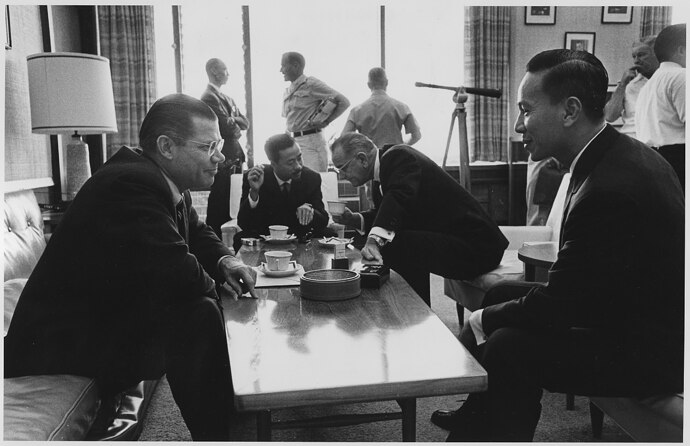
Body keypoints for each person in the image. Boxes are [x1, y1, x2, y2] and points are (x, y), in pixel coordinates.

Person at [430, 49, 684, 442]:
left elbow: (563, 305)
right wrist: (495, 311)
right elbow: (585, 287)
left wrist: (483, 320)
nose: (518, 125)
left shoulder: (609, 187)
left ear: (570, 111)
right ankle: (475, 421)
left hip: (652, 352)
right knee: (500, 290)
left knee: (509, 346)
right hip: (625, 313)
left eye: (526, 110)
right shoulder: (615, 156)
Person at [4, 94, 259, 441]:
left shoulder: (161, 179)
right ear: (167, 146)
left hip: (99, 322)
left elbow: (196, 231)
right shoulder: (130, 184)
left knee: (200, 309)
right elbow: (179, 274)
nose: (221, 156)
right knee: (197, 313)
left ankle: (230, 419)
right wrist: (220, 293)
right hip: (59, 348)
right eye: (208, 146)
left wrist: (225, 260)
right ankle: (218, 435)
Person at [329, 132, 508, 306]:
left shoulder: (398, 156)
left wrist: (373, 241)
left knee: (397, 243)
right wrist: (354, 219)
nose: (341, 176)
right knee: (397, 241)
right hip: (460, 241)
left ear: (362, 159)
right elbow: (391, 213)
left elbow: (399, 199)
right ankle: (407, 311)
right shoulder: (382, 172)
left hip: (478, 247)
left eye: (342, 168)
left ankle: (414, 313)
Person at [235, 133, 334, 247]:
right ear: (273, 164)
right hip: (265, 239)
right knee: (240, 238)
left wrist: (311, 211)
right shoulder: (255, 177)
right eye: (290, 162)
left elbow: (323, 220)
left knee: (330, 234)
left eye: (299, 158)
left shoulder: (311, 178)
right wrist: (254, 192)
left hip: (300, 239)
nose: (298, 166)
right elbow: (243, 223)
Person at [201, 58, 250, 237]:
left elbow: (245, 123)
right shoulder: (208, 97)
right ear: (214, 71)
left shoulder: (227, 98)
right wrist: (233, 121)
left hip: (236, 158)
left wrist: (233, 120)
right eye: (225, 69)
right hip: (224, 159)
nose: (228, 73)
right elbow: (226, 127)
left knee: (235, 204)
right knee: (221, 205)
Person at [281, 51, 350, 172]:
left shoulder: (311, 84)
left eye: (284, 66)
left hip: (311, 142)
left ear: (296, 66)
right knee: (299, 186)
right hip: (294, 143)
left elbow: (343, 102)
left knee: (316, 183)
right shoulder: (288, 90)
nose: (281, 70)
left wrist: (327, 121)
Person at [635, 23, 685, 189]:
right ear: (682, 50)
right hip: (678, 160)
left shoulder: (649, 85)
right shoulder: (681, 76)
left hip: (652, 160)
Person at [342, 67, 421, 148]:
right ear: (386, 83)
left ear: (369, 85)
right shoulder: (402, 107)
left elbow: (343, 139)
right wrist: (401, 147)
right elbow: (417, 135)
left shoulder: (356, 111)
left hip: (369, 158)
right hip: (395, 158)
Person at [603, 36, 659, 139]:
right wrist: (622, 85)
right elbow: (610, 116)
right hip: (631, 141)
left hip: (657, 144)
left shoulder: (667, 81)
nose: (636, 61)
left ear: (656, 55)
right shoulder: (629, 84)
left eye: (641, 55)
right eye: (634, 56)